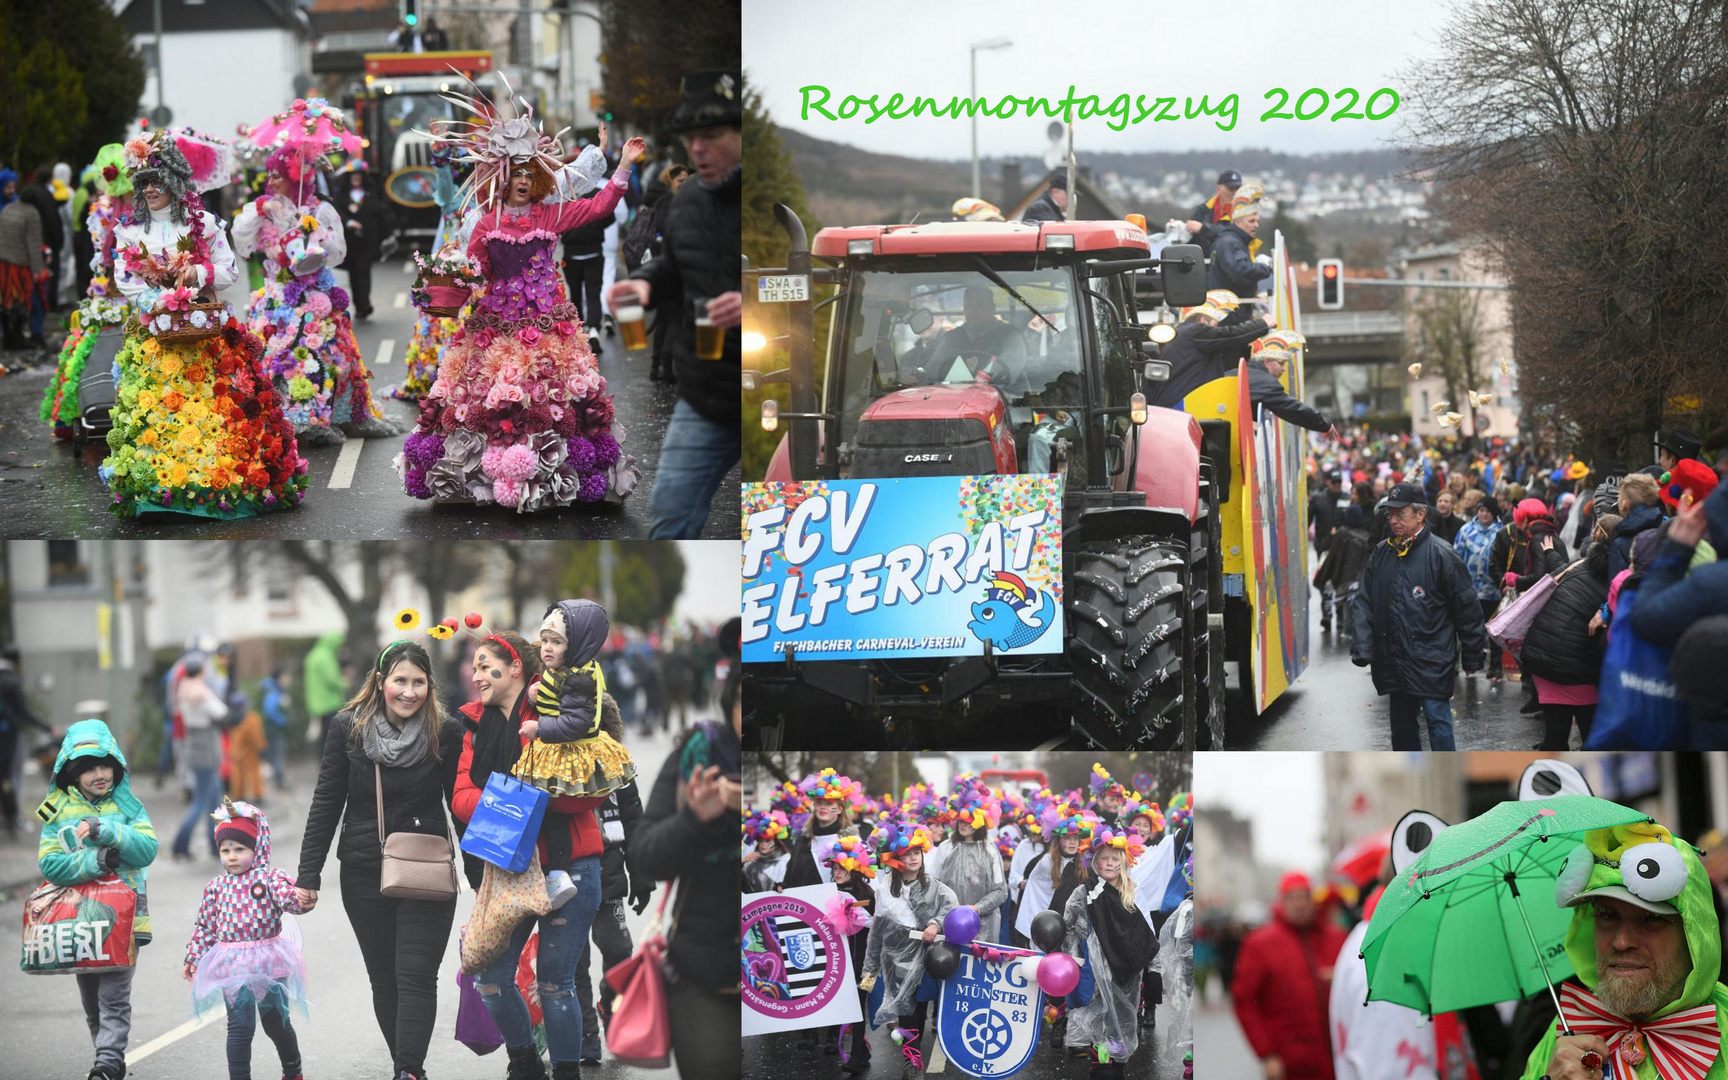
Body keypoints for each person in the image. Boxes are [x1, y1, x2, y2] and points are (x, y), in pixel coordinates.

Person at [401, 83, 648, 512]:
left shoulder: (550, 213)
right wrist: (448, 275)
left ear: (536, 181)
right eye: (514, 175)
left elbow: (598, 207)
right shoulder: (484, 223)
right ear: (501, 179)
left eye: (528, 175)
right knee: (493, 397)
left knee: (550, 398)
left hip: (549, 318)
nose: (521, 181)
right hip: (495, 322)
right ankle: (488, 474)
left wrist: (624, 166)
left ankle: (558, 470)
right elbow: (476, 272)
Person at [296, 638, 465, 1080]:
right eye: (400, 681)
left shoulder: (444, 731)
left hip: (426, 870)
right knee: (386, 980)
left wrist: (487, 874)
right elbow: (326, 801)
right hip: (363, 871)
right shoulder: (347, 728)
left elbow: (461, 804)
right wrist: (307, 875)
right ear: (380, 681)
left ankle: (408, 1072)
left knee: (415, 976)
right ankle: (407, 1067)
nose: (409, 692)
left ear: (430, 686)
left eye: (419, 682)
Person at [450, 629, 610, 1080]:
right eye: (476, 666)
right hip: (508, 870)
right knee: (491, 977)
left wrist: (512, 801)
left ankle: (565, 1072)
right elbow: (461, 796)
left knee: (555, 983)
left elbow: (584, 792)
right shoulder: (474, 724)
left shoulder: (558, 711)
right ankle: (523, 1062)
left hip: (570, 863)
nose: (477, 675)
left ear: (515, 667)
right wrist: (512, 800)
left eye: (486, 666)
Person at [608, 69, 742, 539]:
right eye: (691, 139)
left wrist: (754, 303)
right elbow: (674, 264)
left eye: (712, 136)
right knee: (668, 517)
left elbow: (799, 282)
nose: (698, 149)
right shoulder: (688, 203)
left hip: (773, 390)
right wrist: (643, 284)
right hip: (705, 393)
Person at [1518, 818, 1727, 1080]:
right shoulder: (1565, 1033)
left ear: (1694, 934)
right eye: (1607, 915)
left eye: (1651, 918)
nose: (1621, 941)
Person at [232, 125, 397, 444]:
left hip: (315, 298)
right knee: (277, 359)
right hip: (278, 300)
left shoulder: (320, 209)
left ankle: (325, 413)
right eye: (270, 176)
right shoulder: (265, 208)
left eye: (278, 175)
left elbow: (338, 253)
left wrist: (311, 235)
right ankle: (281, 412)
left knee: (325, 356)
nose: (272, 182)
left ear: (295, 176)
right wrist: (258, 211)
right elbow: (242, 242)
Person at [626, 660, 742, 1080]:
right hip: (705, 974)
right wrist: (694, 819)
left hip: (799, 979)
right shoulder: (699, 754)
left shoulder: (810, 776)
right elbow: (644, 857)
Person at [37, 719, 159, 1080]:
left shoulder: (129, 806)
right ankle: (108, 1058)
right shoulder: (54, 810)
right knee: (92, 1000)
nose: (100, 774)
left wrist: (109, 831)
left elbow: (148, 848)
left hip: (125, 918)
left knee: (113, 997)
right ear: (72, 773)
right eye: (89, 768)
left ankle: (106, 1060)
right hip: (78, 920)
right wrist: (94, 860)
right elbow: (49, 863)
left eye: (106, 765)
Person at [515, 600, 638, 906]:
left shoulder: (580, 678)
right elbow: (555, 695)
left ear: (579, 645)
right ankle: (554, 871)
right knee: (547, 805)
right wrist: (536, 692)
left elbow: (575, 723)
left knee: (551, 805)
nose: (546, 648)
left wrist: (539, 728)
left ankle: (558, 872)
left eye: (556, 642)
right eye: (544, 640)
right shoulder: (567, 670)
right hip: (563, 749)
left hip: (572, 752)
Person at [1351, 482, 1488, 750]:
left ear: (1420, 514)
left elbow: (1467, 607)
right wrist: (1364, 647)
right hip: (1393, 659)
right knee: (1402, 731)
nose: (1393, 521)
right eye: (1390, 515)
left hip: (1432, 659)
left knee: (1438, 724)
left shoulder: (1441, 554)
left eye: (1400, 514)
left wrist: (1473, 654)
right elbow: (1364, 602)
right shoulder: (1382, 553)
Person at [183, 798, 307, 1080]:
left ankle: (293, 1070)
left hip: (268, 962)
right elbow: (205, 926)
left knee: (276, 1023)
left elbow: (291, 901)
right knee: (239, 1027)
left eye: (240, 849)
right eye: (226, 850)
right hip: (232, 964)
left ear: (257, 848)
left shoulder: (270, 878)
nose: (232, 856)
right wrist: (193, 956)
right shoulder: (215, 887)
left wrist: (302, 898)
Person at [859, 822, 957, 1080]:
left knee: (919, 1010)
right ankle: (912, 1061)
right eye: (906, 855)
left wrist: (936, 923)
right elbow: (876, 932)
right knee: (905, 1011)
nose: (913, 858)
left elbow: (952, 907)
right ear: (896, 859)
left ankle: (913, 1055)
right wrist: (869, 972)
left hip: (926, 960)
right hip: (895, 964)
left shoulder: (935, 886)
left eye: (917, 853)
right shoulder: (885, 890)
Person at [1231, 872, 1347, 1080]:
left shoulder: (1336, 937)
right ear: (1281, 902)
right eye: (1292, 898)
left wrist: (1343, 979)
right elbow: (1245, 1001)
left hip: (1338, 1056)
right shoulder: (1260, 943)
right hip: (1290, 1061)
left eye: (1304, 897)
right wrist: (1267, 1054)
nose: (1300, 904)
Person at [1063, 829, 1158, 1080]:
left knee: (1120, 1025)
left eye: (1115, 860)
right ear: (1095, 863)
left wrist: (1155, 970)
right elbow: (1068, 927)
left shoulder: (1133, 893)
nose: (1110, 864)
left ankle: (1116, 1065)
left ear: (1124, 863)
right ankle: (1101, 1066)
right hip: (1093, 973)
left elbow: (1148, 933)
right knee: (1098, 1023)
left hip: (1125, 973)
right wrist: (1077, 958)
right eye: (1104, 859)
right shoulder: (1083, 892)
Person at [1518, 521, 1613, 749]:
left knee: (1555, 738)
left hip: (1542, 659)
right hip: (1579, 671)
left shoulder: (1577, 566)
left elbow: (1558, 569)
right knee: (1592, 740)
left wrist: (1550, 552)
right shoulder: (1616, 584)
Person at [622, 163, 690, 383]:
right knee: (675, 319)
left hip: (657, 267)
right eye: (681, 181)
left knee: (664, 319)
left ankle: (657, 367)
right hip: (670, 269)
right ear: (669, 181)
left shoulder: (658, 202)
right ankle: (666, 367)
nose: (685, 184)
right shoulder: (672, 204)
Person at [1149, 298, 1271, 409]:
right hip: (1184, 405)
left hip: (1171, 403)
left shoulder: (1180, 335)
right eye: (1215, 325)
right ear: (1203, 320)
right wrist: (1263, 324)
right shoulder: (1196, 331)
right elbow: (1231, 335)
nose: (1216, 330)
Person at [172, 654, 229, 860]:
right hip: (206, 747)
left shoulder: (183, 689)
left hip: (194, 745)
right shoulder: (200, 692)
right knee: (202, 799)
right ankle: (180, 843)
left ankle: (216, 845)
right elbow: (220, 711)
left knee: (213, 798)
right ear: (202, 671)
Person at [932, 792, 1008, 943]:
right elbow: (934, 885)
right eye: (961, 820)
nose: (963, 824)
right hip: (948, 923)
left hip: (982, 927)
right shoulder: (946, 848)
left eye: (968, 821)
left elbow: (1000, 891)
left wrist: (977, 908)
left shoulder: (990, 851)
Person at [0, 644, 53, 837]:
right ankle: (13, 817)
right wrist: (47, 727)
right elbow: (24, 712)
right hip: (9, 735)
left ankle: (10, 816)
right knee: (10, 776)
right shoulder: (12, 681)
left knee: (4, 777)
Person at [1452, 495, 1506, 678]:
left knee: (1495, 630)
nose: (1484, 514)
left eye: (1488, 511)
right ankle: (1467, 664)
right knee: (1468, 629)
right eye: (1481, 510)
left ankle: (1495, 666)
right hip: (1470, 590)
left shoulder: (1501, 531)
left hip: (1494, 591)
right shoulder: (1466, 530)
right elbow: (1456, 556)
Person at [0, 168, 46, 349]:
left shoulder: (9, 208)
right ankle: (18, 338)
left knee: (5, 301)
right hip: (19, 266)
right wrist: (37, 269)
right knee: (21, 301)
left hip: (3, 263)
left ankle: (8, 338)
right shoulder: (31, 213)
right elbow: (33, 244)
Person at [1251, 344, 1337, 436]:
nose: (1284, 369)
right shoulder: (1266, 383)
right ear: (1267, 362)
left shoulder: (1242, 372)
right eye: (1281, 363)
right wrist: (1324, 424)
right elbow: (1293, 409)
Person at [1208, 200, 1273, 318]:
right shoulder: (1230, 243)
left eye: (1257, 221)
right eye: (1251, 221)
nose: (1256, 225)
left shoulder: (1231, 241)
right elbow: (1240, 271)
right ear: (1237, 222)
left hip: (1230, 309)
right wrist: (1265, 268)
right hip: (1230, 313)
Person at [339, 166, 388, 321]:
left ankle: (365, 303)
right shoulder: (341, 194)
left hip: (368, 239)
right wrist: (350, 222)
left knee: (364, 270)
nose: (356, 177)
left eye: (359, 175)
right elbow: (337, 212)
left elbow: (380, 213)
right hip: (350, 241)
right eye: (353, 175)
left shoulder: (371, 193)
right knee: (354, 272)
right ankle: (359, 305)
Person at [1607, 471, 1665, 579]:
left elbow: (1617, 585)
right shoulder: (1664, 530)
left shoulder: (1620, 542)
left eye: (1619, 496)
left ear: (1624, 504)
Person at [301, 631, 348, 745]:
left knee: (322, 740)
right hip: (329, 703)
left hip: (315, 704)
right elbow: (332, 679)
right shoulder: (326, 657)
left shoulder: (312, 655)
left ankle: (321, 761)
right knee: (331, 739)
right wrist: (345, 684)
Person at [1183, 169, 1242, 258]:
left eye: (1237, 189)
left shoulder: (1243, 214)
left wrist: (1204, 229)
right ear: (1218, 188)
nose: (1234, 193)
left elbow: (1233, 236)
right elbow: (1190, 239)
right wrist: (1179, 229)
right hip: (1203, 266)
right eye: (1230, 189)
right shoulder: (1202, 211)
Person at [741, 807, 792, 892]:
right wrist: (741, 863)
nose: (763, 844)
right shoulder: (751, 861)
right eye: (760, 840)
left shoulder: (786, 860)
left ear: (776, 842)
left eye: (768, 840)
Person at [262, 667, 292, 791]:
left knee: (275, 754)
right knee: (278, 754)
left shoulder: (274, 690)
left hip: (273, 728)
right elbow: (269, 711)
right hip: (274, 729)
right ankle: (279, 781)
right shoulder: (273, 692)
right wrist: (282, 721)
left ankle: (279, 779)